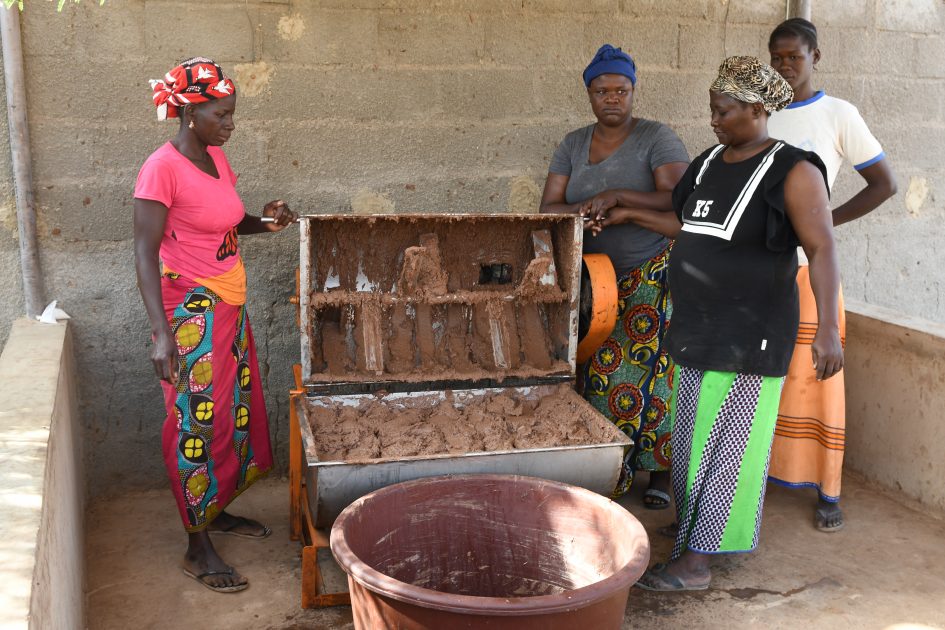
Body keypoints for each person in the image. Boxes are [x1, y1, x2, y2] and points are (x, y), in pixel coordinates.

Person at [636, 56, 843, 591]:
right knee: (691, 439)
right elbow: (686, 225)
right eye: (712, 110)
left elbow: (821, 248)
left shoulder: (793, 170)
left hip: (753, 331)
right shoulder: (708, 163)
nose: (714, 120)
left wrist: (826, 329)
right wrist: (624, 210)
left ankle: (696, 563)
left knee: (731, 445)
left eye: (722, 111)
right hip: (699, 326)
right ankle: (699, 532)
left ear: (755, 109)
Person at [133, 57, 297, 593]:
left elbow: (228, 221)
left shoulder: (215, 159)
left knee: (230, 413)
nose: (230, 124)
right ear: (189, 112)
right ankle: (196, 546)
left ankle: (217, 508)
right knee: (193, 422)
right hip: (190, 314)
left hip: (228, 303)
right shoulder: (162, 167)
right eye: (221, 115)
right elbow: (143, 249)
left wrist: (267, 222)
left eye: (231, 114)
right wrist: (161, 332)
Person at [539, 44, 689, 506]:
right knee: (600, 373)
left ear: (632, 91)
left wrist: (618, 198)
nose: (612, 99)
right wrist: (584, 213)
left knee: (657, 374)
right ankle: (614, 472)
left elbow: (678, 198)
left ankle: (659, 475)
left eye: (620, 90)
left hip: (651, 271)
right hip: (592, 277)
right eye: (601, 90)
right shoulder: (572, 143)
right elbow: (548, 207)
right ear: (589, 93)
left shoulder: (655, 138)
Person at [766, 18, 897, 532]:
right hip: (763, 272)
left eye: (794, 56)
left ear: (815, 57)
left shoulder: (838, 114)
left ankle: (828, 491)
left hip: (809, 271)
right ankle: (759, 476)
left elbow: (883, 183)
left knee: (818, 381)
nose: (784, 66)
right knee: (766, 382)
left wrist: (822, 222)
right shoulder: (761, 115)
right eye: (776, 57)